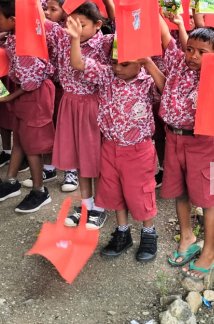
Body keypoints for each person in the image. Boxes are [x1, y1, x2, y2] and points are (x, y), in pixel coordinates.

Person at [68, 15, 165, 261]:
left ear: (140, 63)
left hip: (138, 149)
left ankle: (148, 233)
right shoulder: (107, 76)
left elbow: (166, 89)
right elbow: (79, 63)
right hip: (110, 147)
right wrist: (75, 39)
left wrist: (148, 64)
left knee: (141, 192)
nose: (117, 68)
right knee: (115, 191)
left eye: (125, 64)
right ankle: (122, 232)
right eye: (114, 62)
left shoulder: (146, 82)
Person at [160, 0, 214, 280]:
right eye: (189, 49)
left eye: (201, 52)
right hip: (173, 138)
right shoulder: (179, 63)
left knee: (208, 199)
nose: (192, 55)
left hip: (201, 143)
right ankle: (188, 237)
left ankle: (209, 252)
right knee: (179, 192)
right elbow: (166, 35)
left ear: (213, 57)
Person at [44, 0, 114, 228]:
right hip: (70, 104)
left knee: (96, 159)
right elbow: (41, 17)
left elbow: (79, 64)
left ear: (97, 25)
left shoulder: (105, 43)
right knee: (80, 160)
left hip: (94, 107)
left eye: (81, 24)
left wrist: (114, 0)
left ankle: (101, 207)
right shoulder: (65, 38)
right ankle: (86, 203)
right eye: (71, 23)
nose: (74, 28)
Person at [0, 0, 56, 214]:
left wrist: (7, 97)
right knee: (20, 138)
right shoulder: (19, 35)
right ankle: (10, 181)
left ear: (14, 20)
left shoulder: (25, 44)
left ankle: (39, 190)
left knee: (33, 147)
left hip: (33, 95)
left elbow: (30, 82)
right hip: (25, 95)